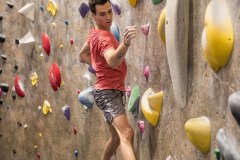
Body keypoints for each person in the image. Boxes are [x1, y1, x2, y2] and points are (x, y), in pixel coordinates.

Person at [79, 0, 137, 159]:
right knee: (127, 134)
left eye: (110, 11)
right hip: (108, 94)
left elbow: (83, 54)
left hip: (110, 91)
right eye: (102, 14)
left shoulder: (94, 33)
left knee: (117, 138)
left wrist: (99, 67)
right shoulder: (103, 37)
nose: (108, 17)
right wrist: (125, 43)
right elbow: (112, 60)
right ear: (93, 16)